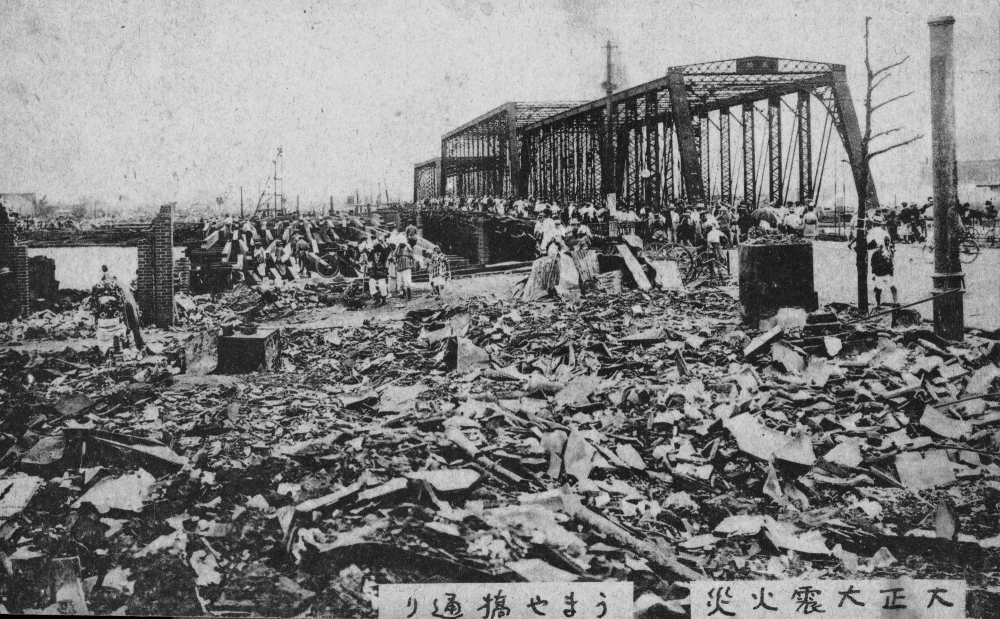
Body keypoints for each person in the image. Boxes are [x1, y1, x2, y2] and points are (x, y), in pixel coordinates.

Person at [89, 265, 128, 357]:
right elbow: (122, 301)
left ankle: (106, 352)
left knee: (103, 338)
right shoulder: (116, 284)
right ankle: (117, 347)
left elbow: (93, 305)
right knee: (118, 331)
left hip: (103, 319)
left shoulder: (96, 286)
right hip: (115, 317)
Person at [870, 237, 898, 307]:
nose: (887, 243)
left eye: (888, 241)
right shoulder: (876, 252)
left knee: (893, 288)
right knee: (878, 290)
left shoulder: (889, 251)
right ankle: (878, 304)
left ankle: (896, 302)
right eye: (885, 241)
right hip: (879, 274)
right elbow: (873, 263)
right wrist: (874, 274)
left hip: (887, 273)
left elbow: (891, 262)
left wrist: (891, 272)